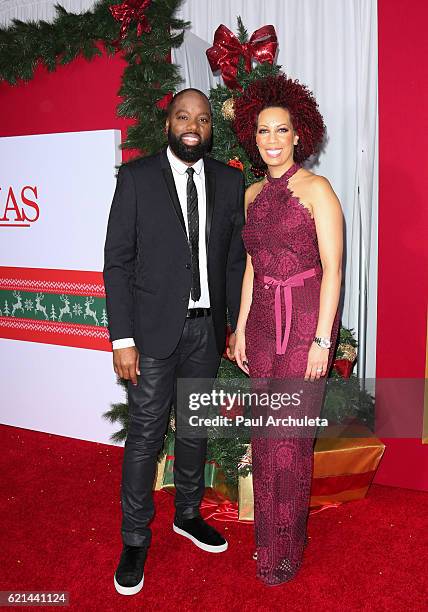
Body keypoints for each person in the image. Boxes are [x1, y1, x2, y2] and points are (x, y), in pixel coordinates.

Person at [103, 88, 246, 595]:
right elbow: (117, 261)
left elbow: (233, 260)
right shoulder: (138, 178)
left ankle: (187, 515)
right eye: (183, 116)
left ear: (211, 128)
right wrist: (122, 338)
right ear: (169, 122)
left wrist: (233, 325)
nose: (193, 126)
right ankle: (135, 538)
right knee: (146, 434)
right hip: (151, 333)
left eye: (203, 119)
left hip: (206, 330)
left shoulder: (230, 182)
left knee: (194, 428)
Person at [232, 74, 343, 586]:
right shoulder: (253, 191)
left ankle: (287, 545)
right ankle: (268, 541)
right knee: (264, 434)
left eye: (281, 130)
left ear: (299, 134)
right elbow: (253, 265)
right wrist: (237, 328)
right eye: (263, 132)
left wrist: (323, 339)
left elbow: (333, 269)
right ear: (253, 139)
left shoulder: (318, 189)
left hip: (303, 318)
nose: (272, 140)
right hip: (260, 323)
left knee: (289, 439)